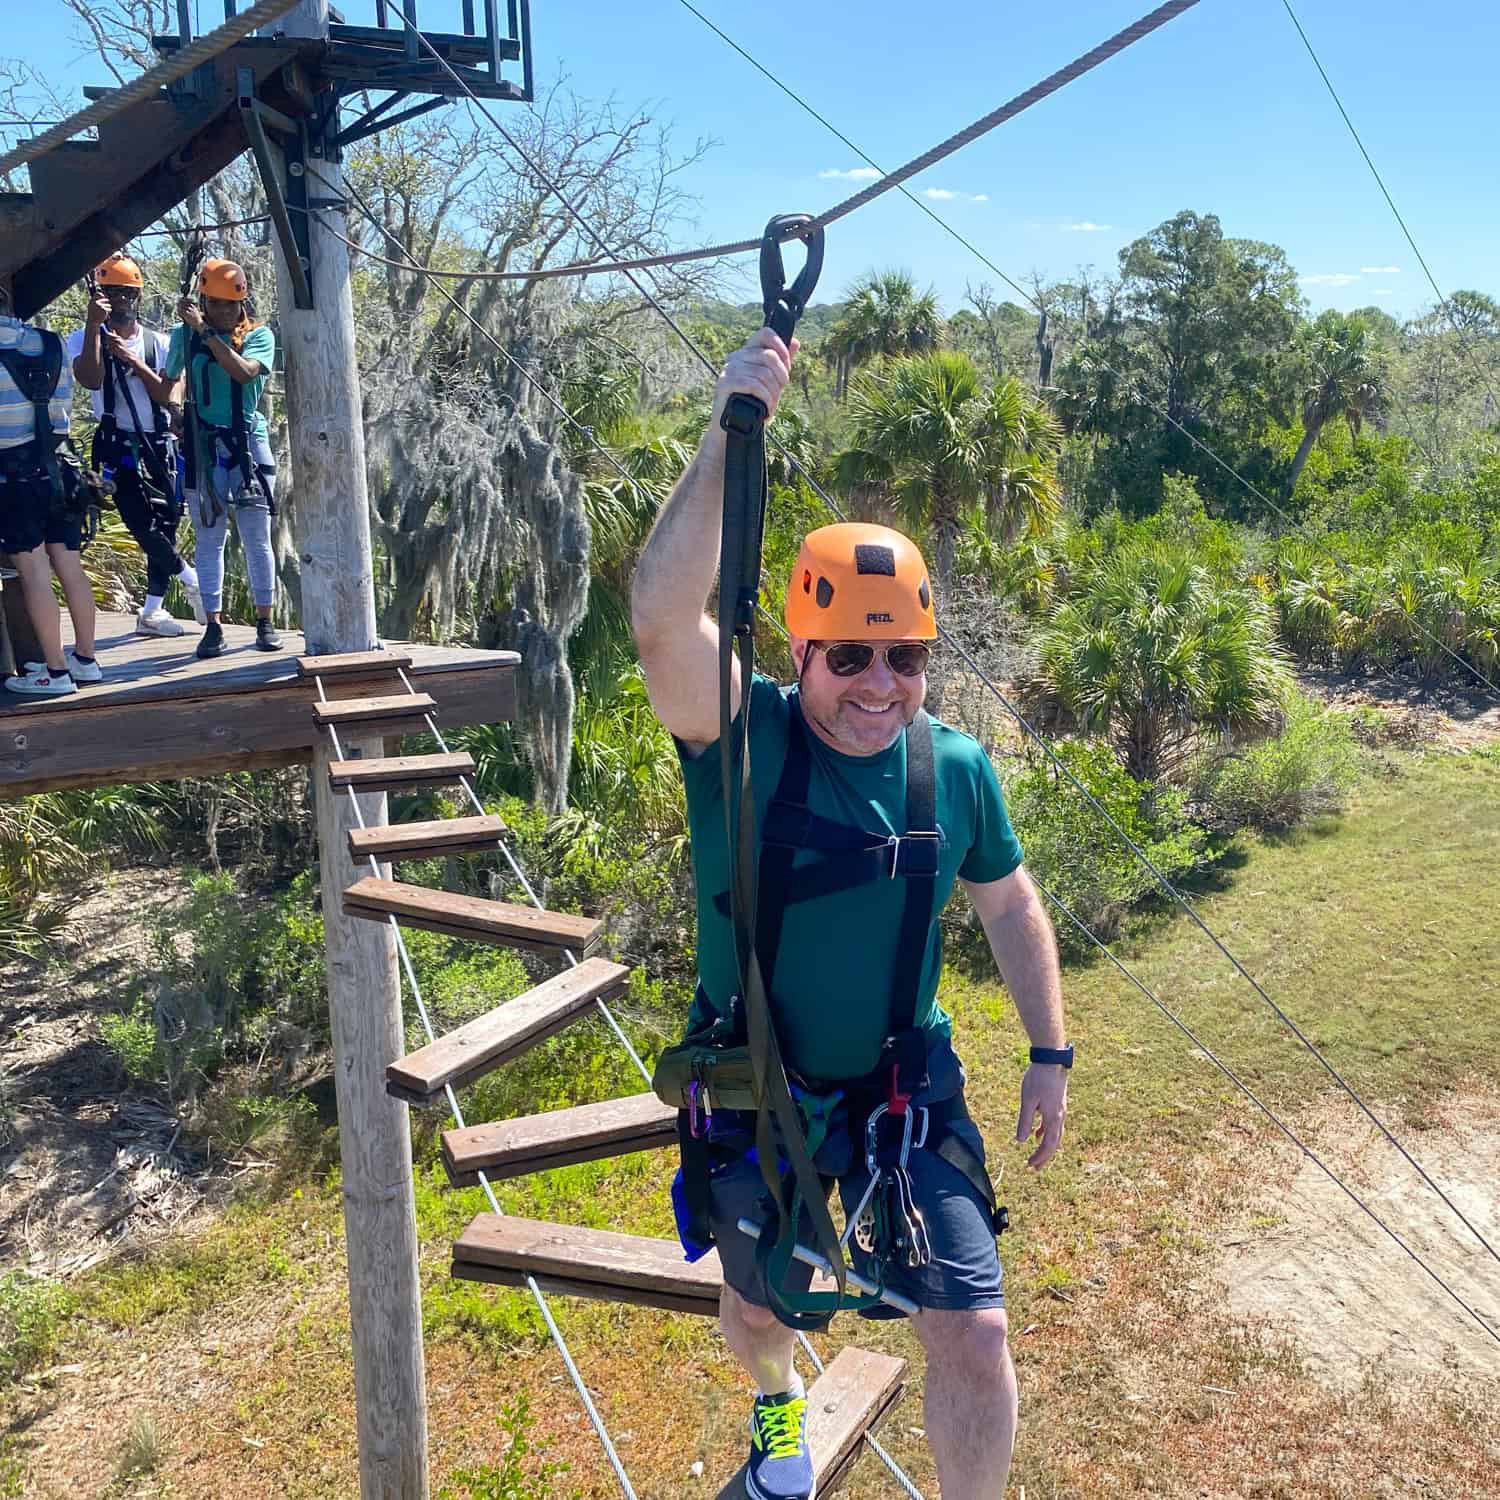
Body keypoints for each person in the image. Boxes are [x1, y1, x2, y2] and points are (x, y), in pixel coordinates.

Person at [630, 329, 1071, 1500]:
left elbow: (1008, 899)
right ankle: (782, 1412)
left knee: (973, 1331)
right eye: (852, 657)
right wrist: (734, 433)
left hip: (899, 1081)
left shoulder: (955, 768)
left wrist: (1048, 1048)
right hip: (755, 1074)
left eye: (906, 657)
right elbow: (663, 620)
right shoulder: (744, 742)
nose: (881, 684)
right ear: (799, 647)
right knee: (759, 1297)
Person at [68, 252, 203, 637]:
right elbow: (90, 380)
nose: (120, 301)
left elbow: (168, 392)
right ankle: (190, 578)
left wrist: (132, 360)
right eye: (111, 293)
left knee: (167, 521)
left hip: (157, 443)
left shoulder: (159, 343)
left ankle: (153, 609)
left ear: (138, 296)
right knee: (139, 520)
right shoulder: (82, 339)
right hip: (115, 444)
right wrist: (94, 328)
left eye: (127, 293)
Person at [164, 257, 281, 658]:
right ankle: (212, 625)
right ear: (203, 301)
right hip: (205, 449)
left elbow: (245, 373)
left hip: (247, 446)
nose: (224, 311)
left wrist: (205, 330)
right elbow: (172, 382)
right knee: (209, 540)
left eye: (231, 304)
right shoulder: (185, 336)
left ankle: (265, 620)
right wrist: (176, 409)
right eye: (214, 304)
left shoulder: (260, 337)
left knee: (256, 539)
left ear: (243, 303)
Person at [0, 274, 101, 697]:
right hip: (61, 470)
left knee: (34, 572)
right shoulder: (52, 342)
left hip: (15, 477)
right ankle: (86, 659)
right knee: (71, 568)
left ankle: (54, 673)